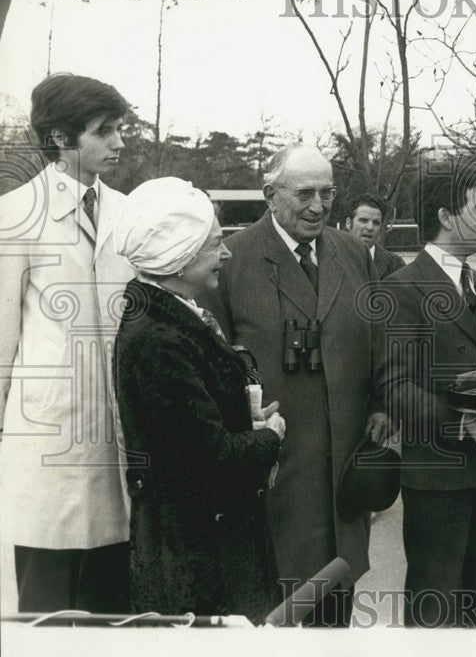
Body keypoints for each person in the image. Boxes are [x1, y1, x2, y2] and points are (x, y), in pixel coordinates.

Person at [201, 144, 388, 627]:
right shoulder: (233, 259)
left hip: (342, 483)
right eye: (305, 193)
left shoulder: (352, 253)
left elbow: (380, 341)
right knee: (275, 632)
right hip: (275, 482)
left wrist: (383, 403)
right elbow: (213, 366)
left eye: (328, 193)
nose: (319, 205)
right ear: (270, 195)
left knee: (334, 628)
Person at [112, 178, 286, 623]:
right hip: (200, 555)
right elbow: (211, 455)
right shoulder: (161, 338)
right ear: (179, 254)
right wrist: (270, 438)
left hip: (199, 539)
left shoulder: (165, 316)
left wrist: (241, 418)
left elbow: (188, 430)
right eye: (213, 245)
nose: (225, 254)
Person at [0, 74, 135, 613]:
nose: (119, 144)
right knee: (46, 613)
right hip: (46, 442)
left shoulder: (129, 213)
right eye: (104, 132)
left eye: (119, 130)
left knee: (113, 610)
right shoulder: (15, 215)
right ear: (61, 137)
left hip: (119, 440)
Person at [375, 157, 476, 627]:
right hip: (438, 477)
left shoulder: (474, 279)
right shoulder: (401, 289)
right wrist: (464, 423)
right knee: (435, 610)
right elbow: (395, 387)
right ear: (444, 216)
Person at [345, 192, 405, 280]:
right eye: (363, 220)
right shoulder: (330, 260)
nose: (370, 227)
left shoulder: (395, 265)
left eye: (376, 223)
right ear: (348, 223)